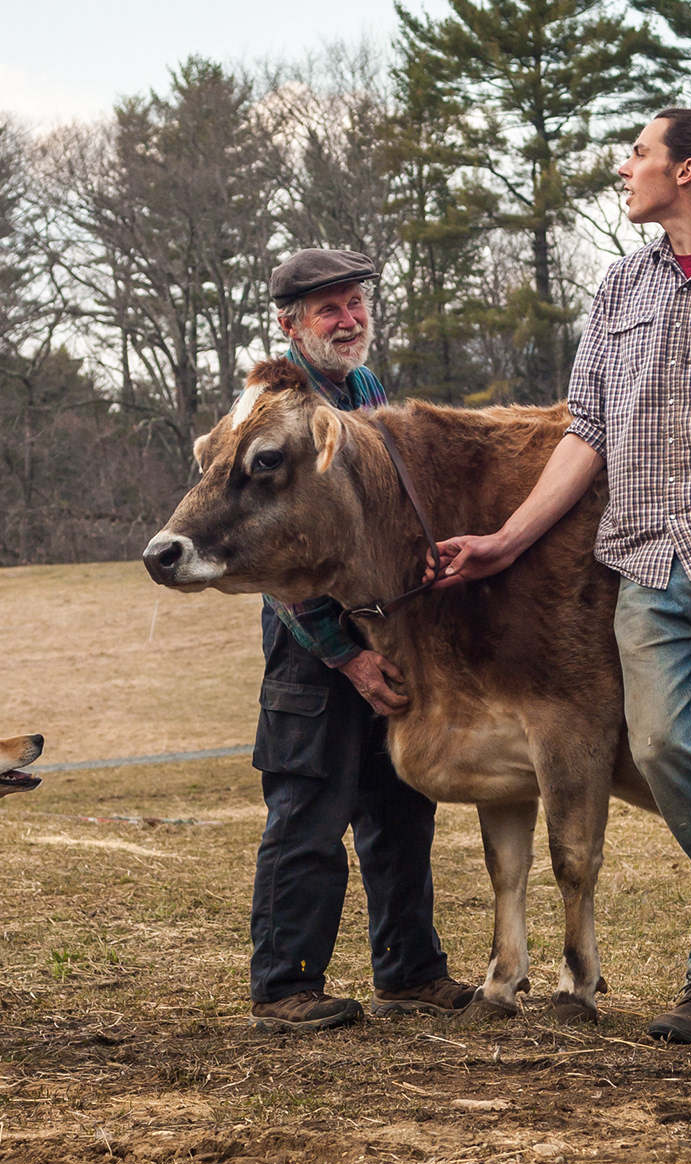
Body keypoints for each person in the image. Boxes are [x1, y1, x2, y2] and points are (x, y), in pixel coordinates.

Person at [433, 109, 691, 1044]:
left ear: (685, 170)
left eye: (638, 155)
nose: (624, 170)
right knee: (663, 754)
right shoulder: (620, 287)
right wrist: (507, 537)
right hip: (646, 566)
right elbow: (590, 434)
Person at [246, 248, 476, 1033]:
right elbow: (268, 551)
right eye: (328, 310)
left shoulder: (368, 392)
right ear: (289, 325)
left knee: (402, 804)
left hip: (389, 621)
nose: (349, 321)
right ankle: (284, 987)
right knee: (309, 807)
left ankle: (409, 972)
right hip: (314, 641)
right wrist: (343, 654)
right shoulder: (273, 406)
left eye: (355, 304)